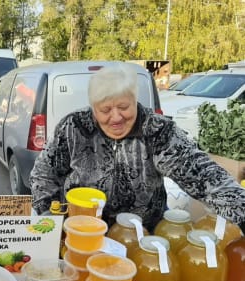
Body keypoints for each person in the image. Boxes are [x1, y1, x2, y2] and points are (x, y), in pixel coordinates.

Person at [29, 62, 245, 233]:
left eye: (124, 107)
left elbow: (204, 175)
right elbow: (43, 174)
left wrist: (241, 210)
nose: (116, 118)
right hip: (82, 232)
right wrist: (51, 219)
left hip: (143, 235)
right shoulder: (74, 127)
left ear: (135, 100)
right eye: (105, 110)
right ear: (93, 108)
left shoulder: (157, 131)